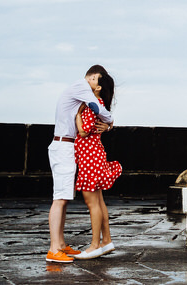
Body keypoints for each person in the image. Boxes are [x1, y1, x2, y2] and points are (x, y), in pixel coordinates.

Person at [46, 65, 115, 264]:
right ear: (94, 77)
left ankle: (60, 244)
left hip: (70, 146)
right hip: (64, 145)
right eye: (97, 80)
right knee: (60, 198)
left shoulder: (81, 91)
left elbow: (94, 114)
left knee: (65, 197)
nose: (95, 83)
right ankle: (53, 248)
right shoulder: (81, 86)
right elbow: (97, 109)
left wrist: (108, 123)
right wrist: (110, 121)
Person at [70, 70, 123, 259]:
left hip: (89, 157)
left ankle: (94, 245)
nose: (87, 80)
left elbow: (83, 132)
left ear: (98, 87)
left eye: (92, 79)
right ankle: (106, 241)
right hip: (93, 154)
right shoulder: (98, 104)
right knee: (98, 201)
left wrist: (77, 115)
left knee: (92, 202)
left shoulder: (93, 105)